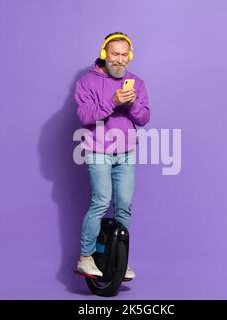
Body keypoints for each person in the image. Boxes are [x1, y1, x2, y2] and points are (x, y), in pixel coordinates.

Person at [74, 32, 150, 280]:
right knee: (101, 201)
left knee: (124, 208)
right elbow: (85, 116)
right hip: (98, 151)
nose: (119, 60)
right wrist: (113, 101)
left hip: (126, 153)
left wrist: (131, 105)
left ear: (130, 56)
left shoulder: (136, 82)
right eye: (115, 54)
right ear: (105, 54)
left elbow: (144, 117)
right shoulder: (87, 82)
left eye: (124, 55)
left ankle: (120, 260)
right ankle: (85, 258)